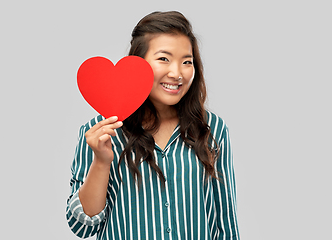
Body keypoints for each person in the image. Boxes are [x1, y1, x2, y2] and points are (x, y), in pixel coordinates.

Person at [66, 11, 240, 240]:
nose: (177, 73)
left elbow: (225, 220)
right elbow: (83, 226)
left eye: (187, 62)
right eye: (164, 59)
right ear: (138, 64)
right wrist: (101, 161)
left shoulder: (213, 129)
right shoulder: (101, 132)